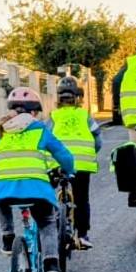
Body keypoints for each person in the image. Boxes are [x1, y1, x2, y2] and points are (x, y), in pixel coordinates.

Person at [0, 86, 74, 272]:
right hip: (35, 187)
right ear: (34, 112)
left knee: (1, 201)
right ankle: (51, 265)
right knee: (47, 222)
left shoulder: (1, 131)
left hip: (5, 186)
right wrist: (69, 170)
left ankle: (8, 238)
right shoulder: (40, 130)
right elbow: (62, 154)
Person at [48, 75, 101, 249]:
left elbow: (43, 139)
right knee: (81, 198)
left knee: (48, 194)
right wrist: (91, 151)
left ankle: (48, 226)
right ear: (78, 97)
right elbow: (97, 140)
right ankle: (83, 235)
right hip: (81, 163)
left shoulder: (53, 117)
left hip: (56, 163)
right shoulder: (85, 116)